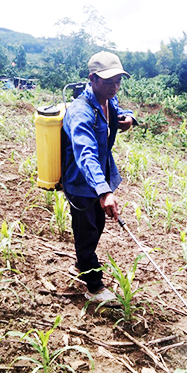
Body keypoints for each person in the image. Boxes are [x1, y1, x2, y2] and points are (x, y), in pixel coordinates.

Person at [62, 51, 136, 306]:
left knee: (95, 227)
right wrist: (104, 192)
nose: (114, 87)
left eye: (118, 81)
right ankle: (93, 287)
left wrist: (128, 118)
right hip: (82, 183)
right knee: (87, 231)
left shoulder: (106, 100)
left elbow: (117, 111)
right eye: (108, 81)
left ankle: (82, 262)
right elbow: (86, 154)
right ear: (92, 78)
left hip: (99, 180)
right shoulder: (81, 111)